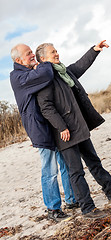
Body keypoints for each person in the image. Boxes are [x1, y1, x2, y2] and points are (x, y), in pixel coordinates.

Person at [35, 40, 111, 219]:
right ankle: (88, 209)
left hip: (79, 127)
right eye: (53, 52)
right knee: (76, 171)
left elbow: (80, 65)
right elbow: (46, 107)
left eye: (56, 51)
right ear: (43, 59)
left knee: (95, 162)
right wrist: (62, 127)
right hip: (65, 133)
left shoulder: (64, 72)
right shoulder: (45, 79)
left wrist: (94, 50)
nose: (57, 54)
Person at [10, 44, 79, 221]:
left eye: (33, 52)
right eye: (29, 54)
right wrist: (45, 62)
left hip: (52, 125)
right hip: (40, 129)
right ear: (18, 60)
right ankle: (53, 209)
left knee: (63, 164)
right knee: (50, 169)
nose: (33, 55)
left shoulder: (29, 72)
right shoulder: (17, 76)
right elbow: (46, 74)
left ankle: (71, 200)